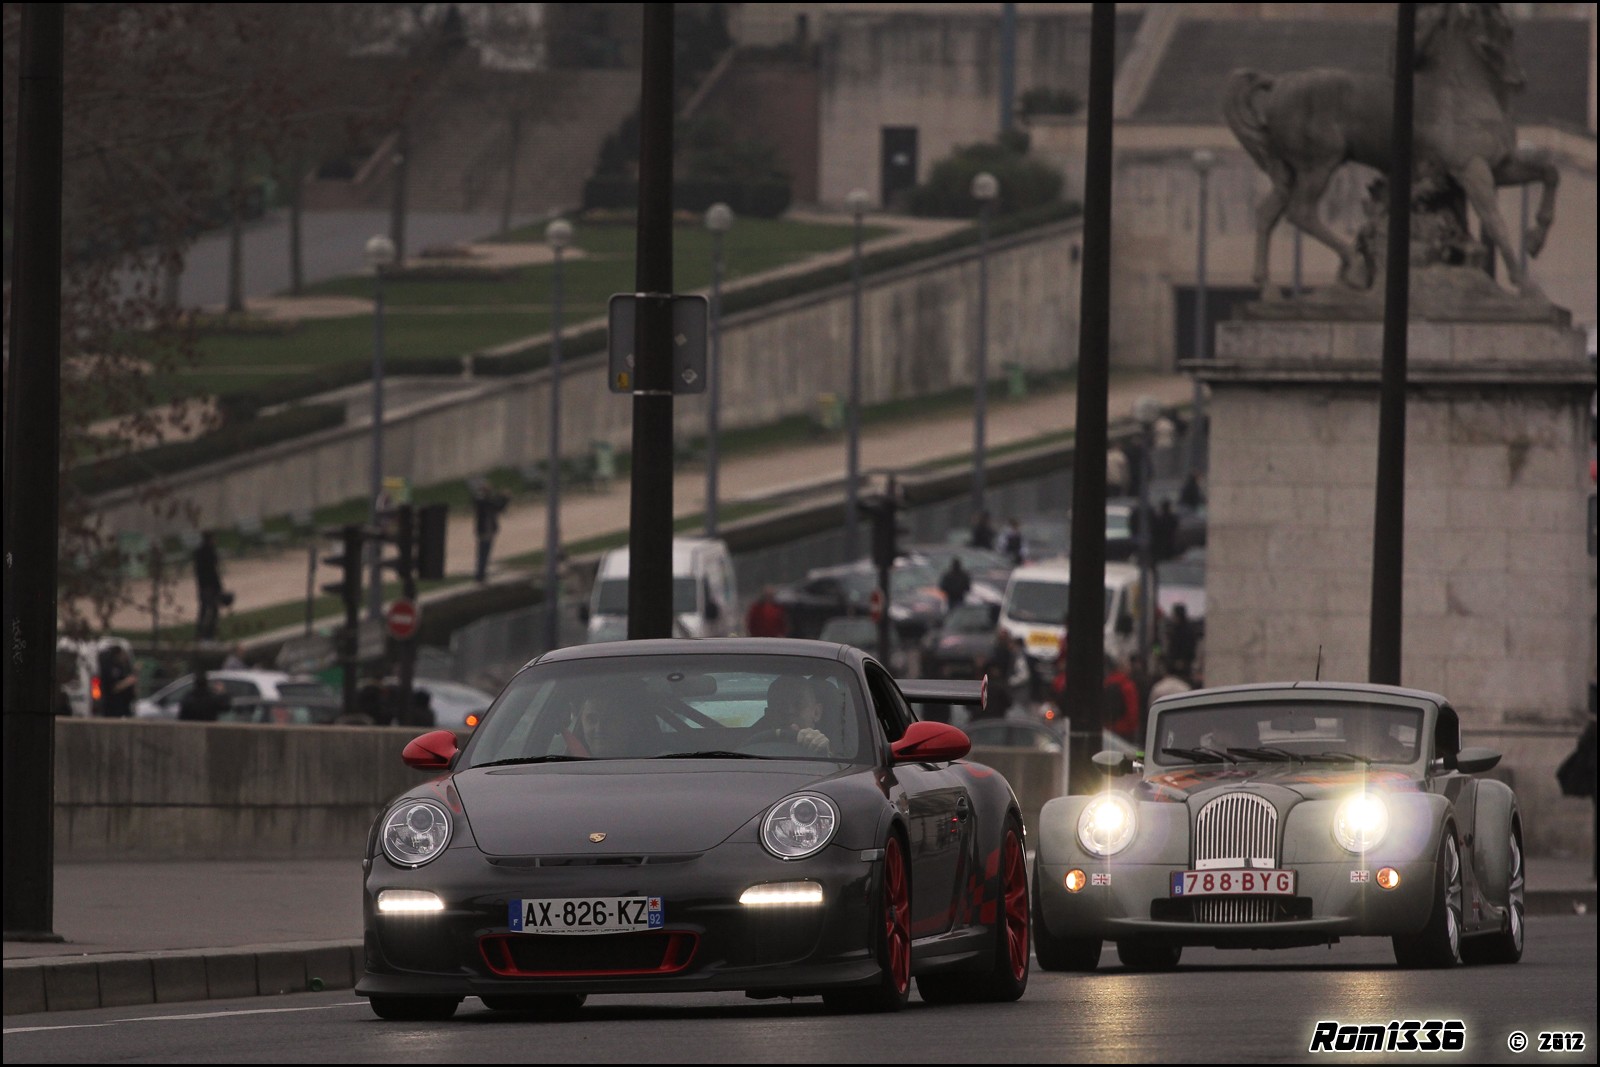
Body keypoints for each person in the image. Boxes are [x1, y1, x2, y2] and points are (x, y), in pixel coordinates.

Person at [757, 675, 835, 756]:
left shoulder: (837, 761)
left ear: (816, 712)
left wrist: (824, 754)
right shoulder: (751, 752)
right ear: (768, 715)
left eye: (799, 704)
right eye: (780, 705)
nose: (789, 711)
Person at [566, 692, 658, 758]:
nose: (599, 728)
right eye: (592, 719)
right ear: (582, 724)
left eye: (609, 720)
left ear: (629, 725)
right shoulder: (564, 767)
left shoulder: (661, 765)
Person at [472, 481, 509, 583]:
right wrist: (503, 497)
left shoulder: (483, 501)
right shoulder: (483, 502)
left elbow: (497, 506)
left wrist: (503, 498)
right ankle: (480, 575)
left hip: (486, 530)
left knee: (484, 554)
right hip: (485, 530)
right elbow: (496, 505)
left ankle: (481, 574)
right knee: (483, 553)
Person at [1102, 655, 1140, 742]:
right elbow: (1133, 714)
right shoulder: (1127, 685)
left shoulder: (1105, 684)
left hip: (1107, 731)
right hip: (1125, 733)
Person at [193, 531, 223, 641]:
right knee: (213, 610)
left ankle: (201, 632)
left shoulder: (199, 552)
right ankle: (209, 632)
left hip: (203, 585)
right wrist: (218, 586)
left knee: (204, 609)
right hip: (210, 586)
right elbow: (213, 572)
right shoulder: (210, 552)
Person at [100, 645, 138, 718]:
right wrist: (128, 681)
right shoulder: (110, 668)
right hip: (113, 707)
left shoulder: (124, 667)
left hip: (125, 706)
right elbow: (114, 687)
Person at [1165, 604, 1199, 681]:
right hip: (1180, 665)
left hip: (1181, 667)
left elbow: (1187, 648)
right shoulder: (1179, 629)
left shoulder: (1182, 631)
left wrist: (1181, 661)